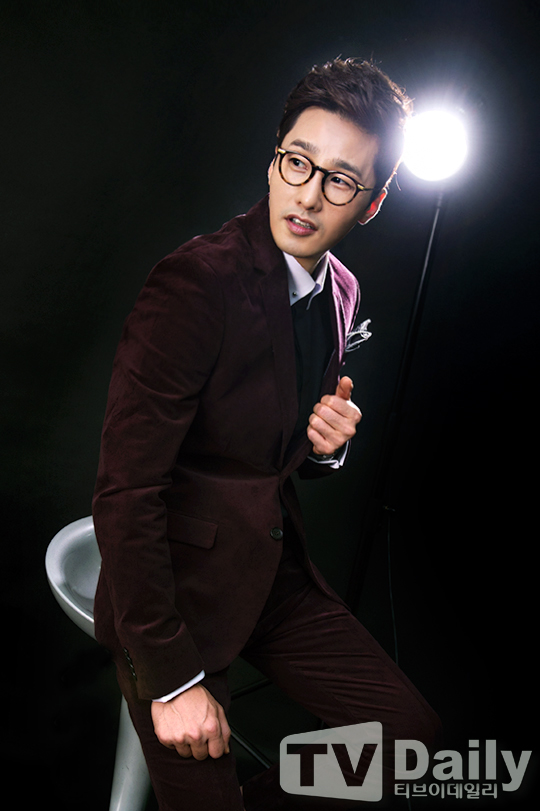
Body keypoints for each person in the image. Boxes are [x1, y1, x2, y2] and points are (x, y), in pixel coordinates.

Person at [92, 57, 441, 810]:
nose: (308, 196)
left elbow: (278, 444)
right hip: (171, 595)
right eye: (298, 163)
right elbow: (125, 492)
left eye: (340, 181)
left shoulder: (340, 290)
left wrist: (328, 447)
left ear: (372, 203)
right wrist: (172, 682)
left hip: (269, 573)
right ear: (275, 157)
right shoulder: (194, 284)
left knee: (414, 745)